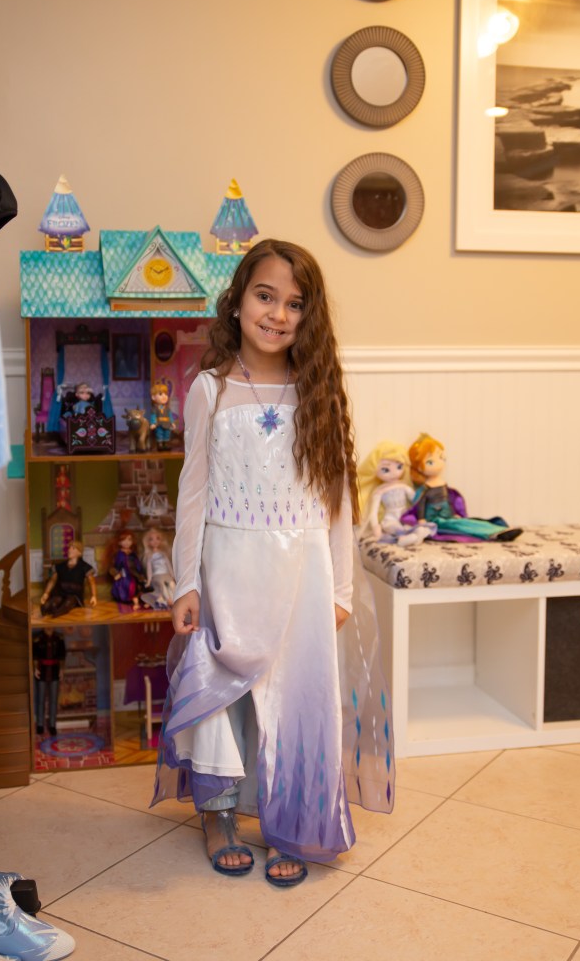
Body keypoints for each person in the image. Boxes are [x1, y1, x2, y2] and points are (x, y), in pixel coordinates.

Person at [151, 239, 394, 888]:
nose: (278, 314)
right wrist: (185, 582)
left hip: (302, 575)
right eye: (266, 296)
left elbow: (337, 500)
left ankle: (292, 821)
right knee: (223, 693)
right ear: (237, 302)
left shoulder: (317, 391)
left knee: (294, 699)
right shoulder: (209, 389)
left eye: (295, 303)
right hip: (228, 568)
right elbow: (193, 493)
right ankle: (219, 815)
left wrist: (340, 587)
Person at [403, 433, 522, 541]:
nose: (439, 463)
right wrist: (421, 519)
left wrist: (453, 513)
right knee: (461, 526)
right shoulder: (425, 488)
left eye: (441, 457)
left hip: (448, 516)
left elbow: (448, 501)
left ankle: (499, 530)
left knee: (466, 522)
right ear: (419, 468)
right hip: (436, 520)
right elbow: (421, 504)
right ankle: (494, 533)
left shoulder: (442, 484)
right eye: (430, 462)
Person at [357, 440, 435, 546]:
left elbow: (415, 499)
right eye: (386, 469)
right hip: (390, 519)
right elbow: (373, 512)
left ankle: (413, 536)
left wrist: (426, 495)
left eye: (399, 467)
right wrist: (376, 527)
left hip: (405, 516)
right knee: (395, 528)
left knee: (413, 526)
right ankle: (403, 539)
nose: (394, 473)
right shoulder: (379, 491)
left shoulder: (403, 486)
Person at [40, 541, 97, 618]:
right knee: (53, 602)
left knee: (68, 603)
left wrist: (93, 596)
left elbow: (92, 582)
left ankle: (56, 613)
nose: (70, 550)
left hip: (74, 595)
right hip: (60, 593)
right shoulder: (60, 566)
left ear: (79, 552)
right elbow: (52, 581)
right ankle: (47, 609)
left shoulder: (85, 567)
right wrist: (46, 593)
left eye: (73, 548)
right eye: (69, 548)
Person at [32, 627, 67, 736]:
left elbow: (62, 656)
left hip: (54, 670)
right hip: (41, 670)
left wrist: (61, 669)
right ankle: (40, 725)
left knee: (53, 700)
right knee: (40, 699)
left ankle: (52, 725)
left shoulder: (59, 638)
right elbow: (34, 655)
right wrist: (35, 668)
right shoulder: (37, 638)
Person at [107, 530, 147, 608]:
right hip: (125, 575)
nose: (127, 542)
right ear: (119, 542)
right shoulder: (119, 554)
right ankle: (132, 600)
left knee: (140, 585)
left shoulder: (133, 553)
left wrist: (140, 574)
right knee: (128, 585)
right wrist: (116, 573)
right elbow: (116, 565)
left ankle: (142, 600)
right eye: (123, 540)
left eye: (129, 540)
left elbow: (137, 564)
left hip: (134, 574)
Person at [140, 527, 175, 608]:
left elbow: (168, 566)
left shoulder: (163, 554)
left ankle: (173, 599)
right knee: (162, 586)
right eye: (151, 539)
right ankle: (168, 600)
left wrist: (173, 575)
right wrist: (149, 580)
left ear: (161, 540)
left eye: (157, 538)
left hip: (166, 574)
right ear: (148, 543)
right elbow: (149, 569)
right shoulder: (149, 556)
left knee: (172, 584)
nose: (155, 541)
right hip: (157, 575)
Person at [148, 381, 177, 449]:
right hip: (159, 424)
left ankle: (166, 444)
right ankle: (160, 445)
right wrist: (153, 423)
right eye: (160, 394)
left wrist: (172, 423)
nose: (164, 396)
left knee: (167, 434)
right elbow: (153, 416)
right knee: (159, 434)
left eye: (166, 394)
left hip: (167, 424)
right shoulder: (155, 409)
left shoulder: (167, 408)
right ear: (153, 397)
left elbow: (170, 416)